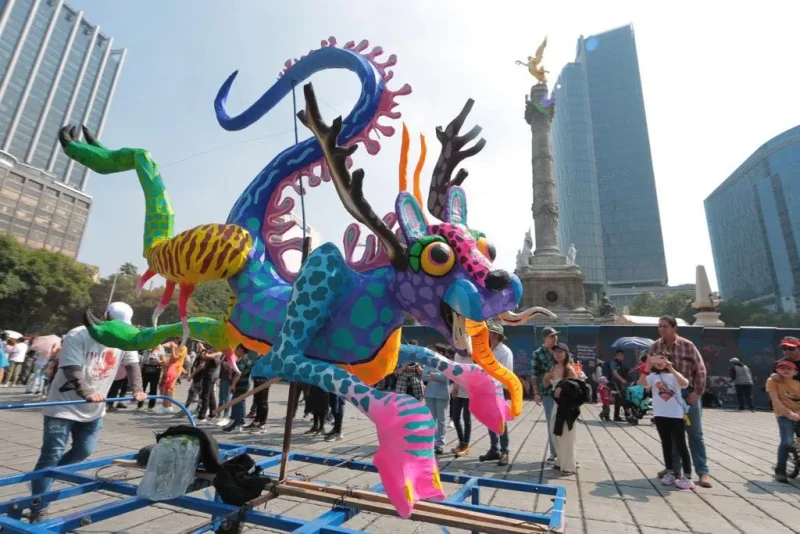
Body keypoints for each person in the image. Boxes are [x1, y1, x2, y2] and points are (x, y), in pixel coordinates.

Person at [28, 302, 147, 522]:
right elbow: (71, 368)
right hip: (63, 406)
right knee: (51, 455)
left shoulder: (124, 339)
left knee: (84, 450)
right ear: (105, 318)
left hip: (94, 410)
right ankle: (38, 504)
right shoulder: (78, 334)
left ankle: (43, 479)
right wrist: (87, 392)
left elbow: (132, 365)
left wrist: (137, 389)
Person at [649, 315, 712, 488]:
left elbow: (700, 370)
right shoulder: (655, 346)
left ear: (674, 327)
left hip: (687, 394)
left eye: (665, 326)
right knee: (672, 435)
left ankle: (702, 471)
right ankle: (673, 469)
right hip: (667, 396)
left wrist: (696, 393)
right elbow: (650, 371)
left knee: (694, 433)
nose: (661, 329)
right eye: (659, 326)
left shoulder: (687, 345)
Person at [640, 353, 695, 489]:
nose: (659, 362)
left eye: (662, 359)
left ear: (669, 361)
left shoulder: (674, 375)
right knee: (666, 443)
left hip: (676, 415)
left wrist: (671, 368)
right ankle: (670, 473)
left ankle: (688, 477)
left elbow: (685, 384)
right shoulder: (653, 376)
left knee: (681, 445)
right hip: (660, 414)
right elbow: (641, 383)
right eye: (656, 359)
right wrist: (647, 366)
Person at [544, 343, 587, 475]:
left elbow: (576, 387)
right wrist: (546, 378)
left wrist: (562, 387)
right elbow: (546, 385)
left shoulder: (569, 369)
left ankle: (569, 466)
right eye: (555, 352)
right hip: (557, 406)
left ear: (566, 353)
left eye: (561, 352)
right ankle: (560, 461)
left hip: (567, 407)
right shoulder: (554, 367)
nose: (558, 354)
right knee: (555, 434)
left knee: (566, 436)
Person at [479, 320, 513, 467]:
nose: (490, 335)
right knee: (489, 420)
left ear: (498, 335)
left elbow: (504, 373)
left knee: (500, 421)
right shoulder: (488, 349)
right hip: (486, 389)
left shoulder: (504, 352)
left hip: (498, 390)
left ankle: (504, 450)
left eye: (492, 333)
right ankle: (494, 448)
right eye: (489, 333)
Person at [766, 360, 800, 482]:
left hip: (798, 413)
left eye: (789, 369)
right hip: (783, 414)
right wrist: (789, 413)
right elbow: (775, 400)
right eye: (782, 368)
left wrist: (797, 413)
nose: (785, 370)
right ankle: (780, 469)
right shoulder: (772, 381)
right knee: (786, 441)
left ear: (795, 372)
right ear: (777, 370)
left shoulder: (797, 383)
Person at [532, 326, 558, 463]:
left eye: (555, 335)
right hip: (547, 392)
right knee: (551, 422)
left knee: (564, 422)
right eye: (552, 336)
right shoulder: (538, 353)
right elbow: (534, 374)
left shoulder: (560, 350)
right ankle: (554, 452)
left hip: (563, 391)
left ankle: (565, 451)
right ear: (545, 338)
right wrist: (536, 392)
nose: (555, 338)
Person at [422, 348, 450, 455]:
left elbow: (445, 378)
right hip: (429, 394)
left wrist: (432, 375)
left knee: (441, 420)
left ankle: (440, 443)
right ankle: (431, 442)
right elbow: (424, 376)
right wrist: (436, 376)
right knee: (430, 419)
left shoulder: (445, 364)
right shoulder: (429, 363)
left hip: (441, 395)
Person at [223, 345, 253, 433]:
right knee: (240, 402)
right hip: (244, 384)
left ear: (241, 349)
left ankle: (237, 423)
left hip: (241, 384)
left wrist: (233, 385)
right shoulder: (246, 359)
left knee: (237, 403)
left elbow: (238, 374)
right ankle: (240, 421)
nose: (235, 351)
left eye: (236, 349)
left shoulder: (243, 360)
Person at [451, 348, 472, 457]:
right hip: (458, 390)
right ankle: (461, 442)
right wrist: (455, 387)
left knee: (466, 418)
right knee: (455, 417)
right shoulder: (457, 355)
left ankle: (466, 445)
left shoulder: (473, 354)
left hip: (469, 392)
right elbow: (455, 372)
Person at [159, 341, 187, 413]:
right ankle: (167, 406)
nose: (174, 342)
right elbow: (166, 344)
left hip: (175, 369)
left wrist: (172, 348)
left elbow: (175, 358)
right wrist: (161, 346)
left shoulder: (183, 348)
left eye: (176, 340)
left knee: (169, 387)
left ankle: (167, 406)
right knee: (166, 387)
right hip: (171, 367)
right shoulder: (177, 346)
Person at [139, 345, 164, 411]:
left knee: (153, 388)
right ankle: (139, 405)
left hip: (155, 369)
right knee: (142, 387)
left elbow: (163, 361)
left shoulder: (160, 348)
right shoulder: (147, 347)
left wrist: (157, 361)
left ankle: (151, 406)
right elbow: (143, 361)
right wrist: (140, 371)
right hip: (146, 368)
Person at [609, 350, 630, 422]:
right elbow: (615, 373)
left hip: (621, 384)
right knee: (622, 399)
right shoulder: (614, 363)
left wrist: (636, 367)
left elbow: (626, 372)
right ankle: (627, 415)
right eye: (622, 355)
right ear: (619, 355)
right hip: (616, 384)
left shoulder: (620, 363)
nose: (623, 357)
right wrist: (622, 380)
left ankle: (617, 416)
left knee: (618, 400)